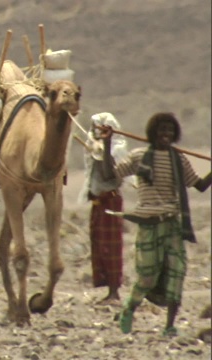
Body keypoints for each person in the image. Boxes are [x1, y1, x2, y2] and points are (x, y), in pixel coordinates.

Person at [99, 112, 212, 336]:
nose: (166, 134)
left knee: (176, 273)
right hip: (148, 224)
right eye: (162, 130)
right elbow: (109, 175)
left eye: (170, 131)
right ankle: (129, 309)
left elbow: (199, 185)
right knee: (147, 276)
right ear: (153, 132)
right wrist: (106, 142)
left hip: (172, 224)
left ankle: (169, 326)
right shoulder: (138, 156)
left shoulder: (179, 159)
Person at [78, 113, 129, 304]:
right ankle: (108, 289)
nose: (95, 131)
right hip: (98, 202)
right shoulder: (94, 147)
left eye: (100, 127)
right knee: (99, 245)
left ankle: (114, 292)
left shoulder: (116, 150)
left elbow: (109, 175)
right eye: (94, 128)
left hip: (111, 201)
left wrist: (106, 146)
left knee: (111, 247)